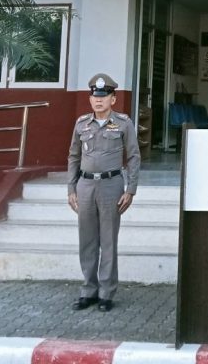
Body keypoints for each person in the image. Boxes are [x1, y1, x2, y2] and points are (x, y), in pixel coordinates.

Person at [67, 73, 141, 312]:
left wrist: (131, 189)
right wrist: (71, 188)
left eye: (104, 96)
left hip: (111, 185)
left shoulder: (123, 123)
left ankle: (106, 293)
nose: (99, 100)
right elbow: (74, 156)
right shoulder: (81, 124)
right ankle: (88, 291)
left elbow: (133, 156)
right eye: (95, 96)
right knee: (87, 240)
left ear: (113, 99)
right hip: (85, 185)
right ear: (90, 99)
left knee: (108, 241)